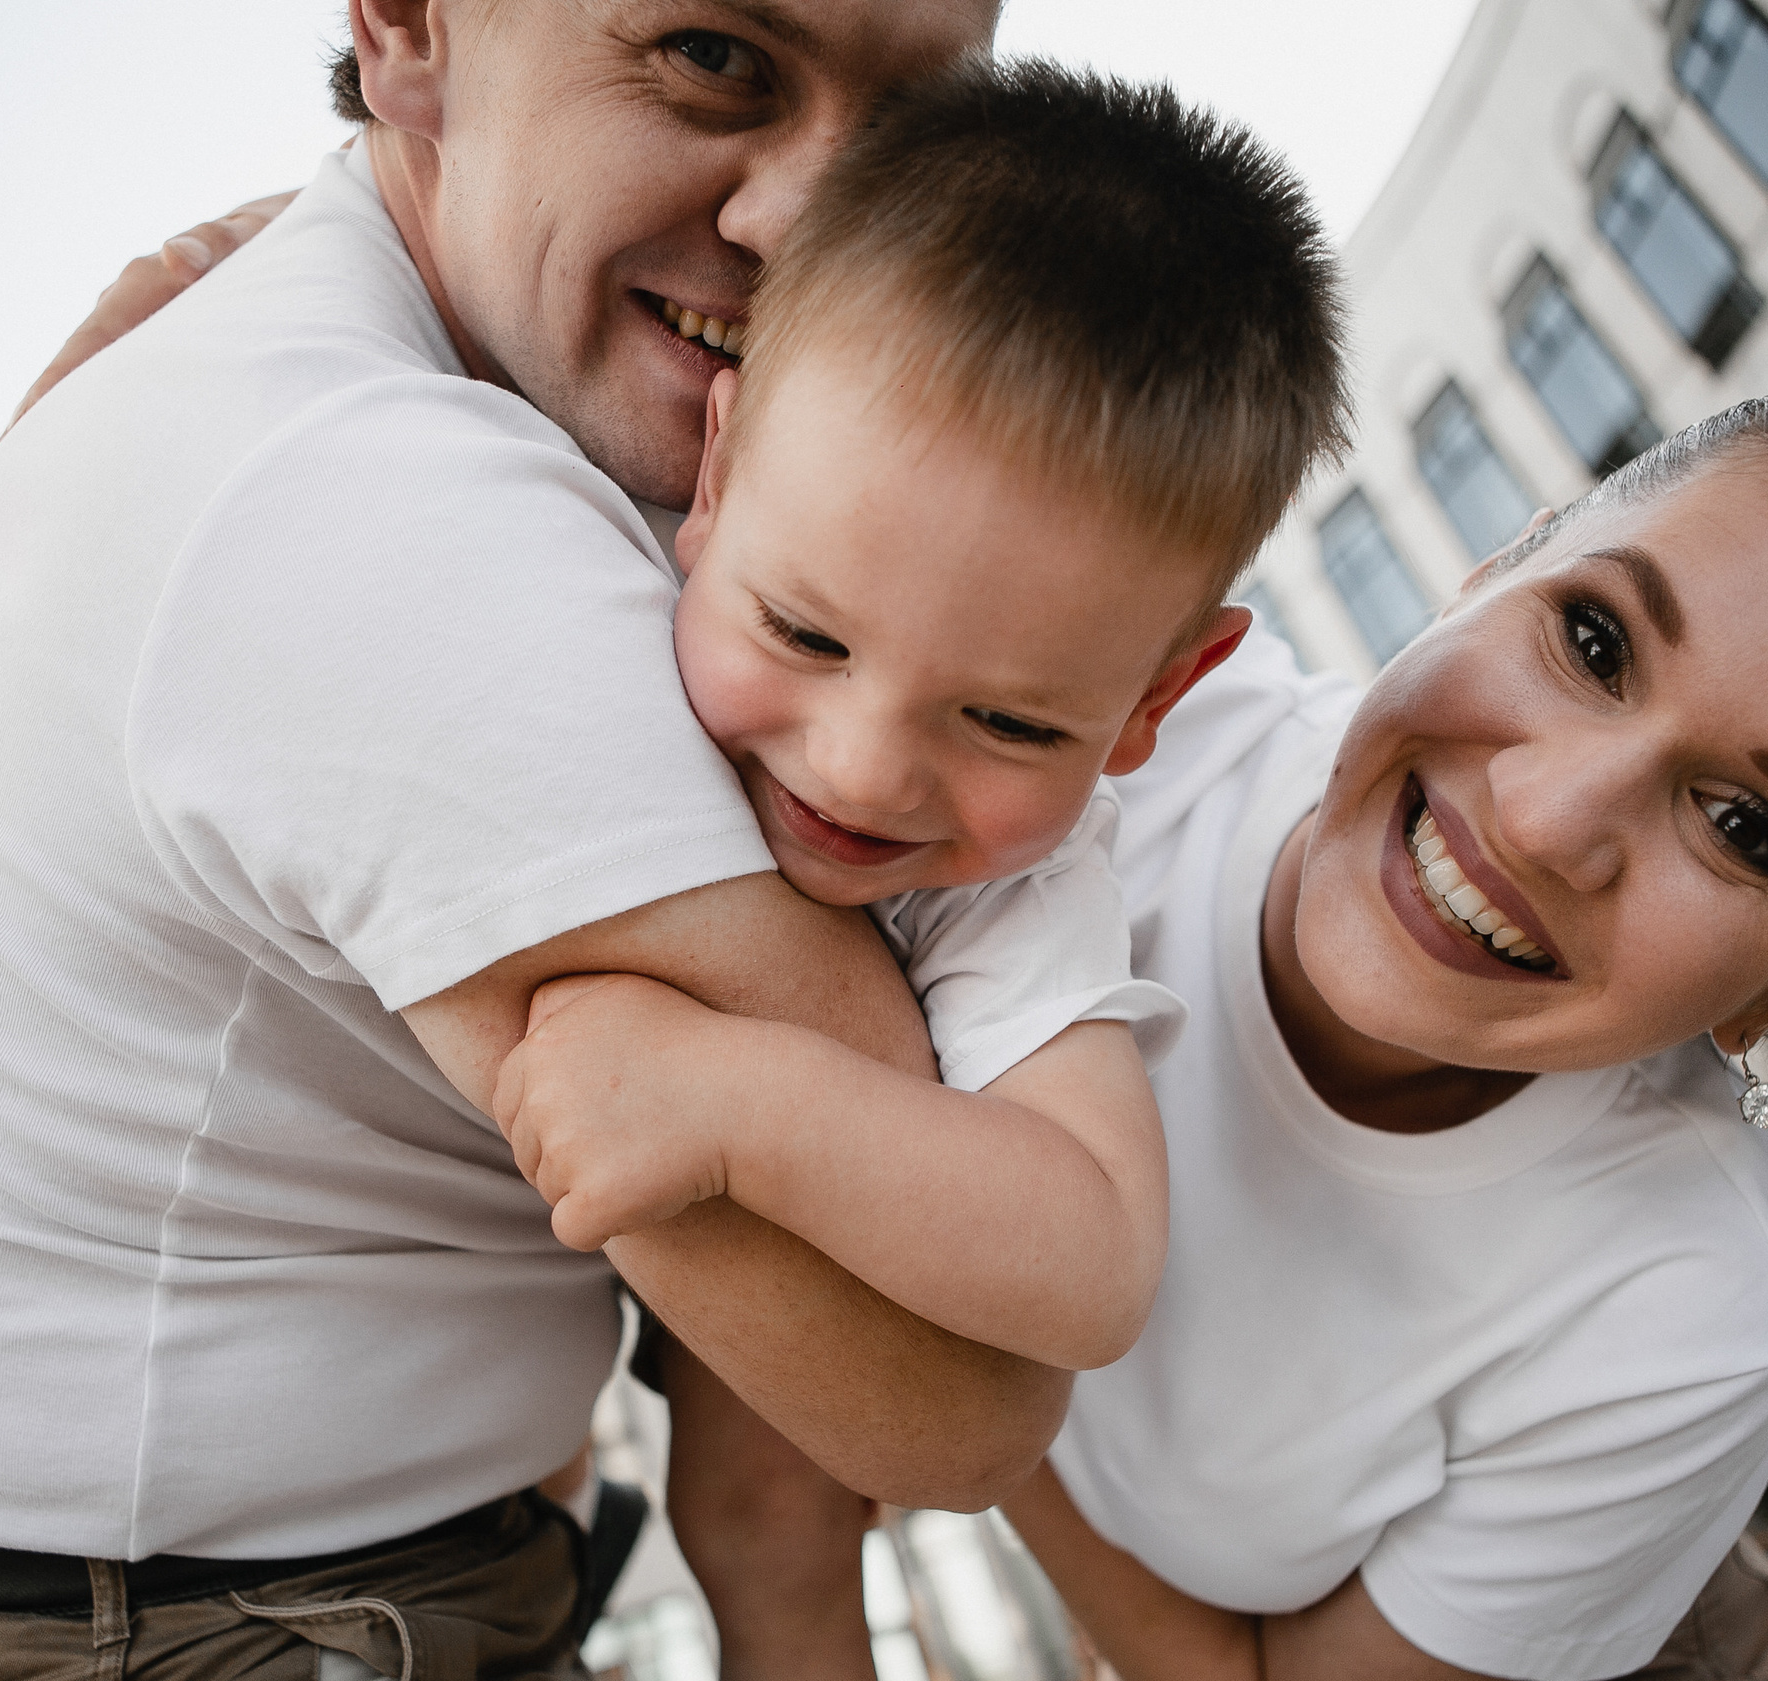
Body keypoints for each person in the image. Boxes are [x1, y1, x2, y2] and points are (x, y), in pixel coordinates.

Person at [0, 3, 1065, 1681]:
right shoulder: (372, 494)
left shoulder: (312, 366)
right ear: (405, 28)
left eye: (918, 125)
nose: (817, 216)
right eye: (713, 54)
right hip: (213, 1651)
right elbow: (954, 1390)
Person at [512, 389, 1768, 1681]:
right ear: (1499, 560)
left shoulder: (1695, 1307)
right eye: (1591, 639)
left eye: (1743, 830)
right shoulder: (1078, 728)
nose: (1548, 817)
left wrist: (959, 1380)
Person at [497, 64, 1350, 1376]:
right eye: (807, 635)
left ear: (1154, 700)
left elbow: (1099, 1261)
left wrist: (735, 1109)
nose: (861, 771)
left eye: (1008, 722)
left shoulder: (1009, 891)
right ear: (714, 479)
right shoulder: (567, 536)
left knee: (765, 1510)